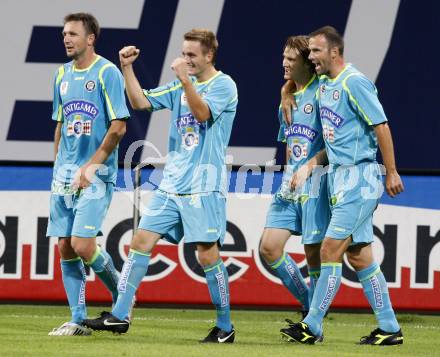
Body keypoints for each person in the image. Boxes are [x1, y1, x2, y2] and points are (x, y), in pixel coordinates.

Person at [84, 29, 238, 344]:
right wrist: (127, 68)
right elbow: (141, 101)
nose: (186, 59)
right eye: (184, 54)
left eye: (193, 55)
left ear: (209, 55)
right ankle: (120, 315)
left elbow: (202, 113)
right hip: (172, 184)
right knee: (140, 240)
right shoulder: (183, 83)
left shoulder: (224, 85)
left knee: (207, 255)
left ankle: (225, 326)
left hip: (203, 186)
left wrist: (184, 80)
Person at [280, 26, 404, 345]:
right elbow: (299, 84)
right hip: (338, 177)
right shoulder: (324, 83)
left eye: (317, 51)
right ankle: (390, 328)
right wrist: (285, 91)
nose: (312, 57)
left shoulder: (355, 82)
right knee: (359, 256)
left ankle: (312, 325)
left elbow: (382, 126)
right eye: (310, 52)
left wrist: (391, 171)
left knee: (328, 249)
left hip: (360, 178)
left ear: (335, 52)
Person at [46, 12, 130, 336]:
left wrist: (93, 165)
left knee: (83, 244)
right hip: (63, 176)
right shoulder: (61, 75)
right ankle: (78, 319)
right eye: (64, 33)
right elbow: (60, 124)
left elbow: (119, 126)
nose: (66, 38)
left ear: (90, 38)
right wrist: (56, 165)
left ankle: (123, 298)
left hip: (96, 174)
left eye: (73, 34)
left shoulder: (107, 72)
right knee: (65, 245)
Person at [258, 36, 329, 336]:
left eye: (291, 59)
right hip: (291, 185)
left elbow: (334, 144)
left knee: (314, 253)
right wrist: (290, 175)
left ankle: (313, 323)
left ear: (306, 62)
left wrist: (309, 168)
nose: (284, 63)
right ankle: (311, 306)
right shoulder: (286, 98)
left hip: (317, 184)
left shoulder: (324, 94)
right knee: (269, 248)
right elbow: (289, 144)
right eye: (283, 57)